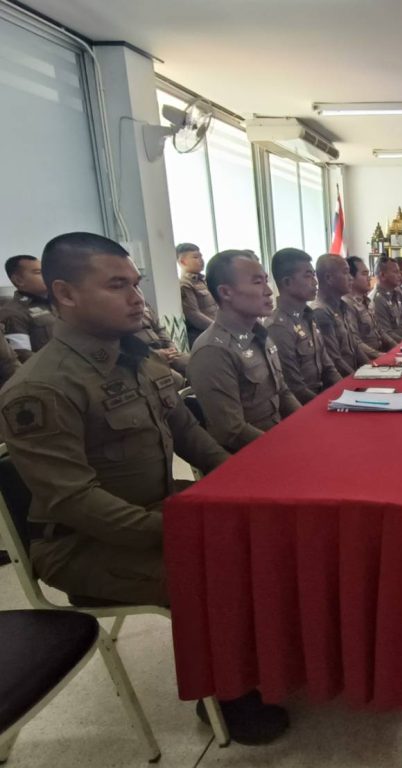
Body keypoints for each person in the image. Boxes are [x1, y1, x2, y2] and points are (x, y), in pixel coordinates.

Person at [0, 232, 290, 746]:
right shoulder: (42, 389)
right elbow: (76, 501)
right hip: (80, 543)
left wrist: (243, 487)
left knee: (270, 531)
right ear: (65, 294)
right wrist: (182, 529)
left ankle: (265, 655)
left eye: (135, 284)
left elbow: (193, 437)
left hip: (158, 509)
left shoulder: (137, 361)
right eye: (117, 286)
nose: (137, 298)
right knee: (216, 569)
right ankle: (228, 694)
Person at [187, 250, 301, 452]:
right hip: (252, 455)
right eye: (257, 282)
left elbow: (282, 392)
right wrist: (283, 449)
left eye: (266, 280)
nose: (268, 291)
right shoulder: (213, 351)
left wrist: (307, 425)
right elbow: (232, 431)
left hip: (279, 439)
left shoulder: (259, 334)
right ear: (226, 292)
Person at [265, 248, 341, 404]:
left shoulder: (307, 316)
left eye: (314, 275)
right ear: (287, 282)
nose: (315, 282)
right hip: (306, 405)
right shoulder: (278, 327)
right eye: (308, 276)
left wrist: (348, 392)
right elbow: (295, 388)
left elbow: (328, 367)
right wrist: (327, 406)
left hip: (324, 397)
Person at [311, 253, 377, 375]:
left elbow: (355, 346)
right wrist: (357, 380)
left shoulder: (342, 306)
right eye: (346, 273)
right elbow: (335, 359)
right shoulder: (320, 311)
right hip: (342, 380)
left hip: (355, 373)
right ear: (329, 278)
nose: (350, 278)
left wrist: (372, 370)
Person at [1, 255, 55, 361]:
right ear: (18, 280)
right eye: (38, 272)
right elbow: (23, 356)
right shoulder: (13, 313)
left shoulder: (56, 303)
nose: (46, 276)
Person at [343, 256, 394, 352]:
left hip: (380, 352)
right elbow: (356, 343)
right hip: (368, 358)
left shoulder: (367, 301)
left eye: (368, 274)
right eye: (364, 274)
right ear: (351, 277)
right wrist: (379, 355)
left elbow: (380, 331)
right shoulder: (347, 305)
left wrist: (397, 347)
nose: (369, 278)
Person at [177, 243, 217, 347]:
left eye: (201, 256)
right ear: (183, 262)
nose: (201, 260)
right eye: (195, 257)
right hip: (203, 336)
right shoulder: (185, 285)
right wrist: (219, 329)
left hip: (216, 332)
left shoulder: (203, 281)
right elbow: (193, 315)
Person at [135, 302, 189, 379]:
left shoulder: (145, 305)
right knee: (176, 378)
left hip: (165, 351)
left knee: (194, 362)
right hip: (144, 358)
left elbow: (159, 329)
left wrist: (171, 347)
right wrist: (156, 354)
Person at [371, 257, 402, 345]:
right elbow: (386, 333)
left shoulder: (396, 294)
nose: (400, 275)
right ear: (383, 275)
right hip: (393, 347)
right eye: (396, 272)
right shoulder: (377, 299)